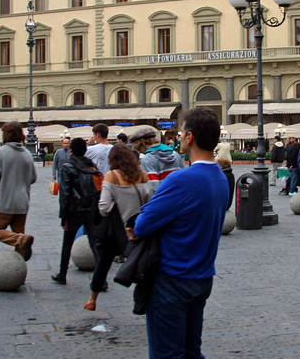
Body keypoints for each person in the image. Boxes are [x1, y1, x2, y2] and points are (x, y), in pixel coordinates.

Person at [130, 107, 229, 358]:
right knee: (191, 351)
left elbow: (142, 225)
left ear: (190, 137)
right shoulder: (220, 176)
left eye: (182, 130)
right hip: (202, 276)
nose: (179, 134)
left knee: (168, 354)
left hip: (173, 278)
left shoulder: (180, 180)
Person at [85, 144, 153, 310]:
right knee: (143, 267)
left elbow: (104, 208)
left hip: (116, 231)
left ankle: (92, 299)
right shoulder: (143, 176)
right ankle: (144, 303)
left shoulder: (111, 176)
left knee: (104, 262)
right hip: (139, 229)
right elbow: (150, 203)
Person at [52, 137, 99, 284]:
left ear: (71, 150)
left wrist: (63, 216)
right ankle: (101, 279)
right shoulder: (92, 166)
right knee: (95, 244)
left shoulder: (68, 167)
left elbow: (65, 194)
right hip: (90, 210)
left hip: (74, 211)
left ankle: (62, 275)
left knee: (67, 243)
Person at [0, 121, 36, 260]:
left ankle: (22, 240)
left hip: (4, 201)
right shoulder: (26, 153)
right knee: (19, 236)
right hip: (22, 202)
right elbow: (33, 177)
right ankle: (19, 275)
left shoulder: (1, 153)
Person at [131, 126, 185, 191]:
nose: (140, 151)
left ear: (142, 144)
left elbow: (153, 188)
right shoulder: (176, 155)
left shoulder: (147, 160)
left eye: (138, 148)